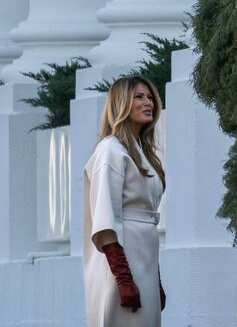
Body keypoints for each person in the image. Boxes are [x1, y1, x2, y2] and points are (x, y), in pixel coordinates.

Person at [83, 76, 166, 327]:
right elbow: (105, 218)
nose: (148, 102)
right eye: (138, 97)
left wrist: (156, 279)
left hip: (144, 258)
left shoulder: (143, 153)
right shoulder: (111, 150)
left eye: (150, 97)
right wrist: (123, 279)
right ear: (121, 103)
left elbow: (146, 220)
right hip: (121, 260)